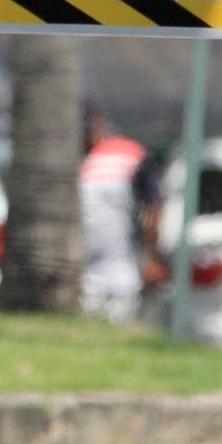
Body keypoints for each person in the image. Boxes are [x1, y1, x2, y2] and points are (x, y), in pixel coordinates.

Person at [79, 103, 162, 323]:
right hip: (81, 273)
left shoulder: (129, 154)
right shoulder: (64, 160)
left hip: (122, 267)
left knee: (121, 322)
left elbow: (153, 206)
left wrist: (151, 257)